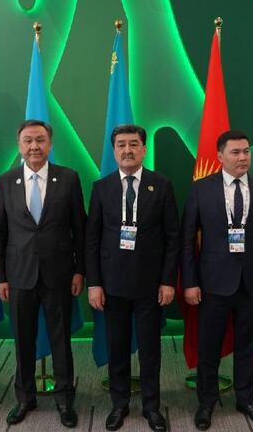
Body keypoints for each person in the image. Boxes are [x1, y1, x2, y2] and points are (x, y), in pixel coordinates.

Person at [181, 130, 253, 430]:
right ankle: (207, 401)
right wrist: (190, 282)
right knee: (209, 346)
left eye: (246, 151)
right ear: (220, 156)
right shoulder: (201, 189)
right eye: (235, 152)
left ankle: (246, 398)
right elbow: (186, 240)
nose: (243, 157)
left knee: (249, 345)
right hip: (212, 283)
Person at [86, 124, 179, 432]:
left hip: (150, 284)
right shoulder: (101, 188)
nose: (127, 150)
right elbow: (92, 239)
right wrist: (94, 283)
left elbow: (172, 237)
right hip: (112, 283)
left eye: (133, 144)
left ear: (144, 149)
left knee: (150, 349)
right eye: (121, 145)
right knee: (117, 347)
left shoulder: (161, 185)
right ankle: (119, 404)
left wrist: (168, 280)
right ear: (114, 150)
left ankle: (152, 407)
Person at [0, 120, 85, 428]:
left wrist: (79, 271)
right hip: (19, 276)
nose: (34, 146)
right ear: (19, 145)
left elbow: (79, 229)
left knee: (61, 340)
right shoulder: (6, 181)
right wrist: (2, 277)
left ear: (50, 144)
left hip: (59, 274)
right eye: (28, 140)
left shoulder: (69, 178)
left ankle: (64, 399)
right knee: (23, 341)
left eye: (40, 140)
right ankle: (24, 398)